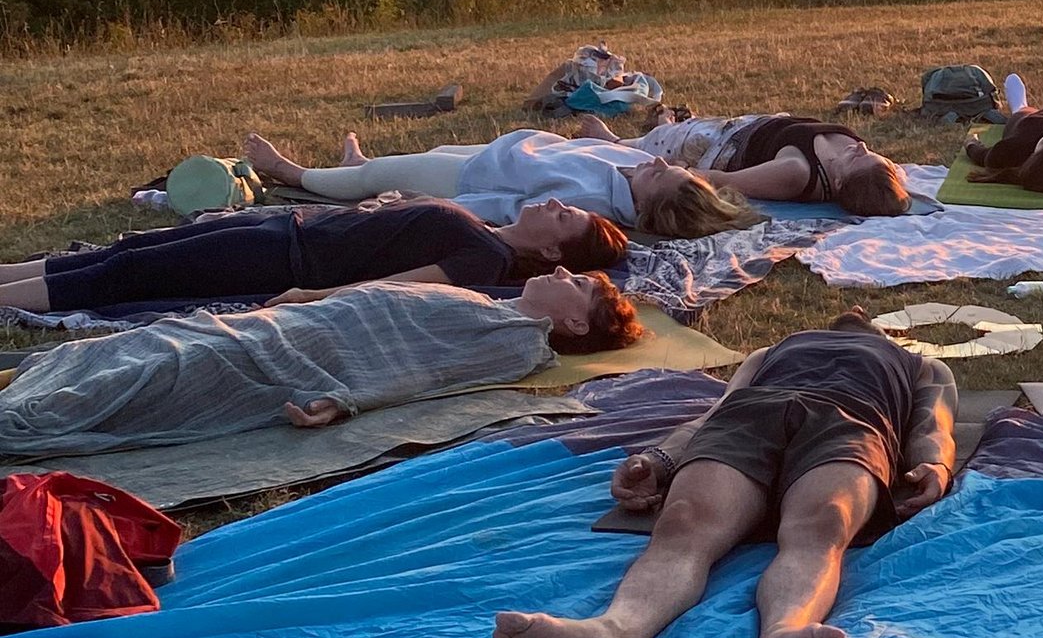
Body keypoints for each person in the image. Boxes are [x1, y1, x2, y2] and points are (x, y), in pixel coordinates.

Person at [492, 317, 954, 638]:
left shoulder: (919, 364)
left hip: (853, 421)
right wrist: (661, 456)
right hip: (750, 414)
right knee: (684, 521)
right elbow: (714, 411)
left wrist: (934, 465)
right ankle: (611, 634)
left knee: (823, 525)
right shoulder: (772, 351)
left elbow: (934, 425)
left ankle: (784, 635)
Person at [0, 272, 638, 454]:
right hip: (276, 326)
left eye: (573, 281)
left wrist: (347, 400)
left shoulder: (519, 341)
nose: (558, 270)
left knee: (138, 377)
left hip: (283, 359)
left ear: (574, 323)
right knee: (116, 346)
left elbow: (431, 374)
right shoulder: (486, 301)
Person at [0, 196, 627, 319]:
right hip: (288, 227)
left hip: (286, 260)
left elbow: (398, 286)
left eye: (564, 216)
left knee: (124, 274)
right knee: (128, 248)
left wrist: (310, 298)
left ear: (551, 250)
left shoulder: (482, 259)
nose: (552, 203)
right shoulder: (485, 228)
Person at [245, 125, 750, 239]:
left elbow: (510, 208)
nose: (658, 165)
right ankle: (356, 168)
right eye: (669, 166)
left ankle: (292, 172)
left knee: (378, 176)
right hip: (501, 151)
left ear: (646, 209)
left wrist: (449, 200)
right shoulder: (635, 165)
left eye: (661, 176)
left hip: (475, 176)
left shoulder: (590, 201)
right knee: (421, 154)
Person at [600, 111, 910, 217]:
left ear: (840, 184)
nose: (862, 146)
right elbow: (891, 186)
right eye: (868, 152)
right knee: (670, 131)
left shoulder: (797, 173)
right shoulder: (869, 171)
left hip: (719, 143)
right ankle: (665, 123)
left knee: (652, 145)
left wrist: (673, 170)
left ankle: (613, 141)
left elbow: (720, 179)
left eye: (859, 156)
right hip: (753, 124)